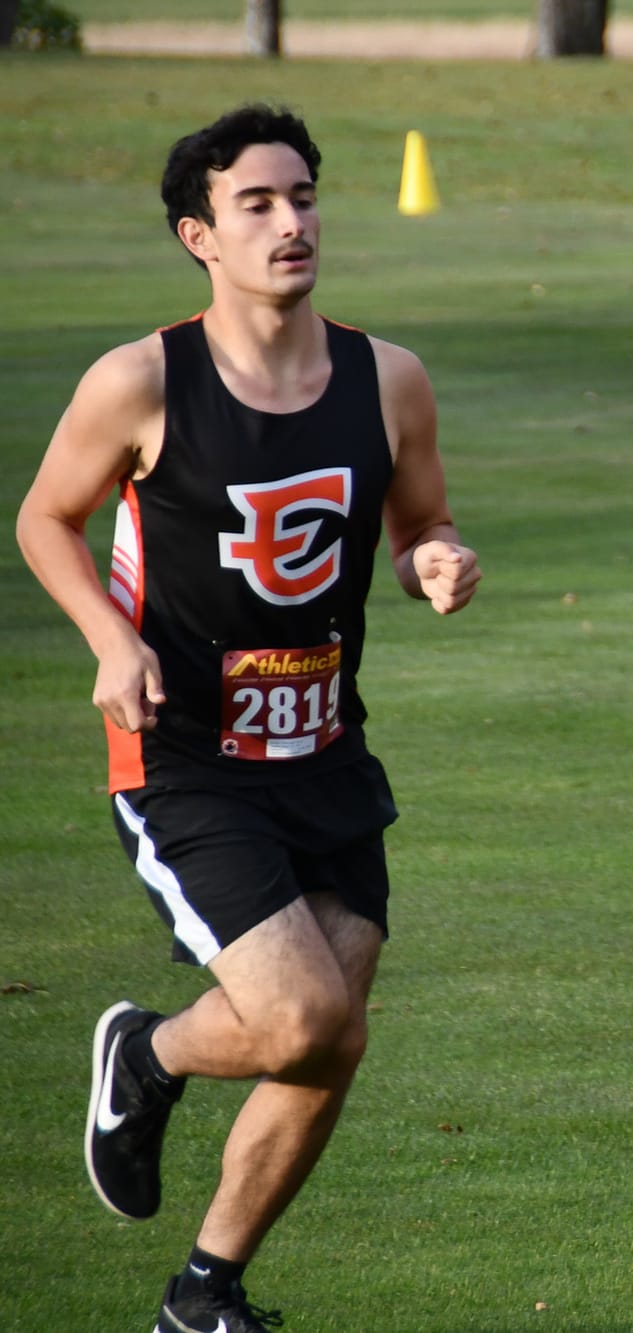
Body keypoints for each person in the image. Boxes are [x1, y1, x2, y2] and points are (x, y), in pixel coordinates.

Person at [15, 104, 480, 1333]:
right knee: (303, 1016)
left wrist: (436, 558)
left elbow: (418, 521)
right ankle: (149, 1056)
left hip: (327, 749)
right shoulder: (138, 381)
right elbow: (42, 521)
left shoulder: (389, 378)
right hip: (182, 759)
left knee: (332, 1038)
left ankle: (203, 1292)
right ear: (199, 236)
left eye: (304, 197)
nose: (292, 223)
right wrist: (112, 641)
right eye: (257, 205)